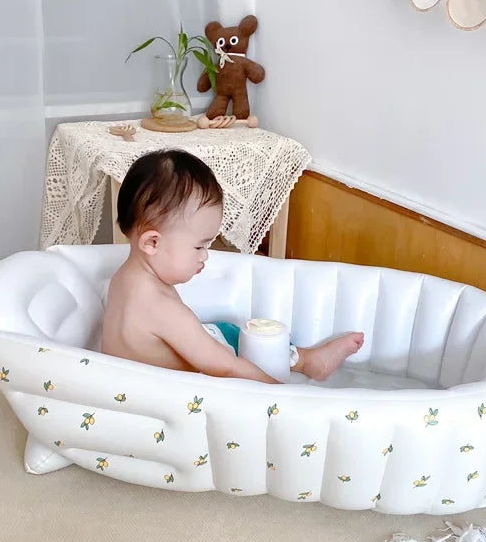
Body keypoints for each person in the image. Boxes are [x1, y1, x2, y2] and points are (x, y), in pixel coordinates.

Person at [101, 150, 364, 383]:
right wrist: (280, 395)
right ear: (152, 243)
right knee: (250, 344)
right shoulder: (160, 307)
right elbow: (226, 368)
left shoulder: (126, 279)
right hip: (184, 391)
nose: (205, 256)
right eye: (199, 246)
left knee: (230, 331)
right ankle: (307, 361)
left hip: (135, 381)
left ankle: (302, 358)